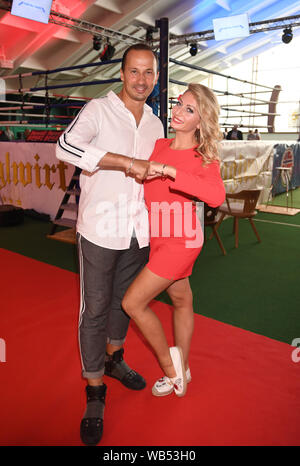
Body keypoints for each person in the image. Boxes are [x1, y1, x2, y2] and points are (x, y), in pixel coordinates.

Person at [56, 43, 164, 446]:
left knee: (126, 301)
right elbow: (64, 146)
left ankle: (115, 359)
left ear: (155, 77)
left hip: (139, 230)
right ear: (122, 73)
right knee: (95, 307)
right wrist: (122, 161)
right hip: (99, 230)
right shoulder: (98, 109)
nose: (141, 80)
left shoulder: (155, 122)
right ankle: (95, 390)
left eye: (148, 73)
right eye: (134, 72)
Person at [122, 84, 225, 398]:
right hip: (160, 238)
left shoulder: (203, 158)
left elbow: (216, 196)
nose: (178, 112)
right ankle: (186, 366)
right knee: (181, 301)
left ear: (200, 122)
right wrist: (146, 173)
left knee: (132, 303)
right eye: (180, 104)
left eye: (189, 110)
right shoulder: (159, 145)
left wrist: (169, 171)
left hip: (182, 241)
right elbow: (149, 184)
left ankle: (172, 370)